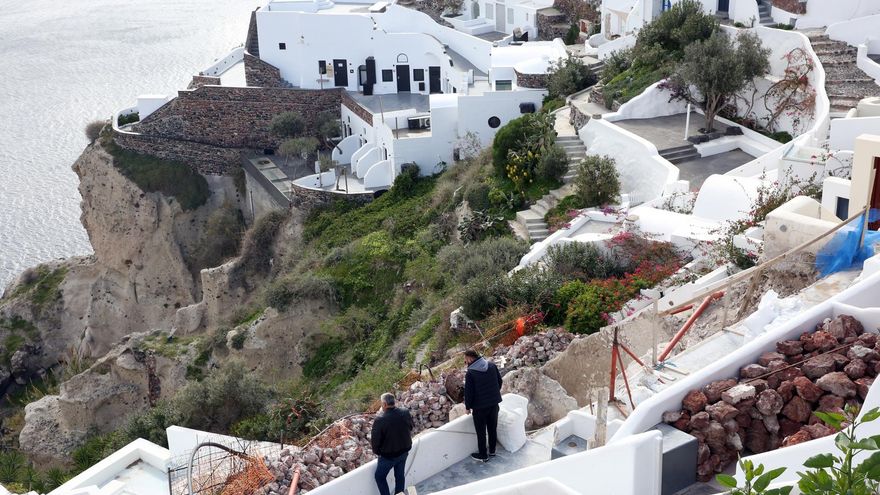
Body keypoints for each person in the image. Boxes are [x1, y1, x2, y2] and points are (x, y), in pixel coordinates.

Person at [463, 349, 503, 462]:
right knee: (492, 428)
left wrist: (467, 407)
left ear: (470, 358)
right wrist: (493, 395)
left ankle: (483, 455)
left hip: (480, 408)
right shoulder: (491, 365)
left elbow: (469, 393)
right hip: (494, 404)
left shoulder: (470, 373)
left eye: (465, 360)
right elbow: (499, 382)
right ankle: (492, 451)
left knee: (481, 432)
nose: (465, 362)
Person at [371, 392, 414, 495]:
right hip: (404, 452)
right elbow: (411, 427)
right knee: (400, 475)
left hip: (388, 456)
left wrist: (378, 453)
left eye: (382, 403)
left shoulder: (380, 420)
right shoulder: (405, 412)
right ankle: (400, 493)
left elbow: (375, 442)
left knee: (379, 477)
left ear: (384, 404)